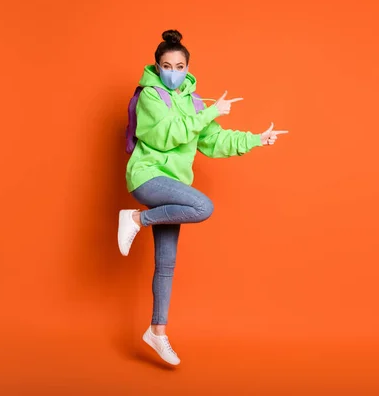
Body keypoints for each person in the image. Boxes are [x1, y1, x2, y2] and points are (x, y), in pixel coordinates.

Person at [117, 29, 287, 366]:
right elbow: (167, 136)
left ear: (188, 69)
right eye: (166, 65)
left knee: (166, 264)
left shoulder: (195, 102)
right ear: (157, 65)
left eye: (179, 66)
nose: (173, 72)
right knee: (202, 206)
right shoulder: (151, 96)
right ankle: (135, 218)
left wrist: (254, 139)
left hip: (173, 188)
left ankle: (157, 332)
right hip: (148, 176)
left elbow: (214, 141)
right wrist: (211, 113)